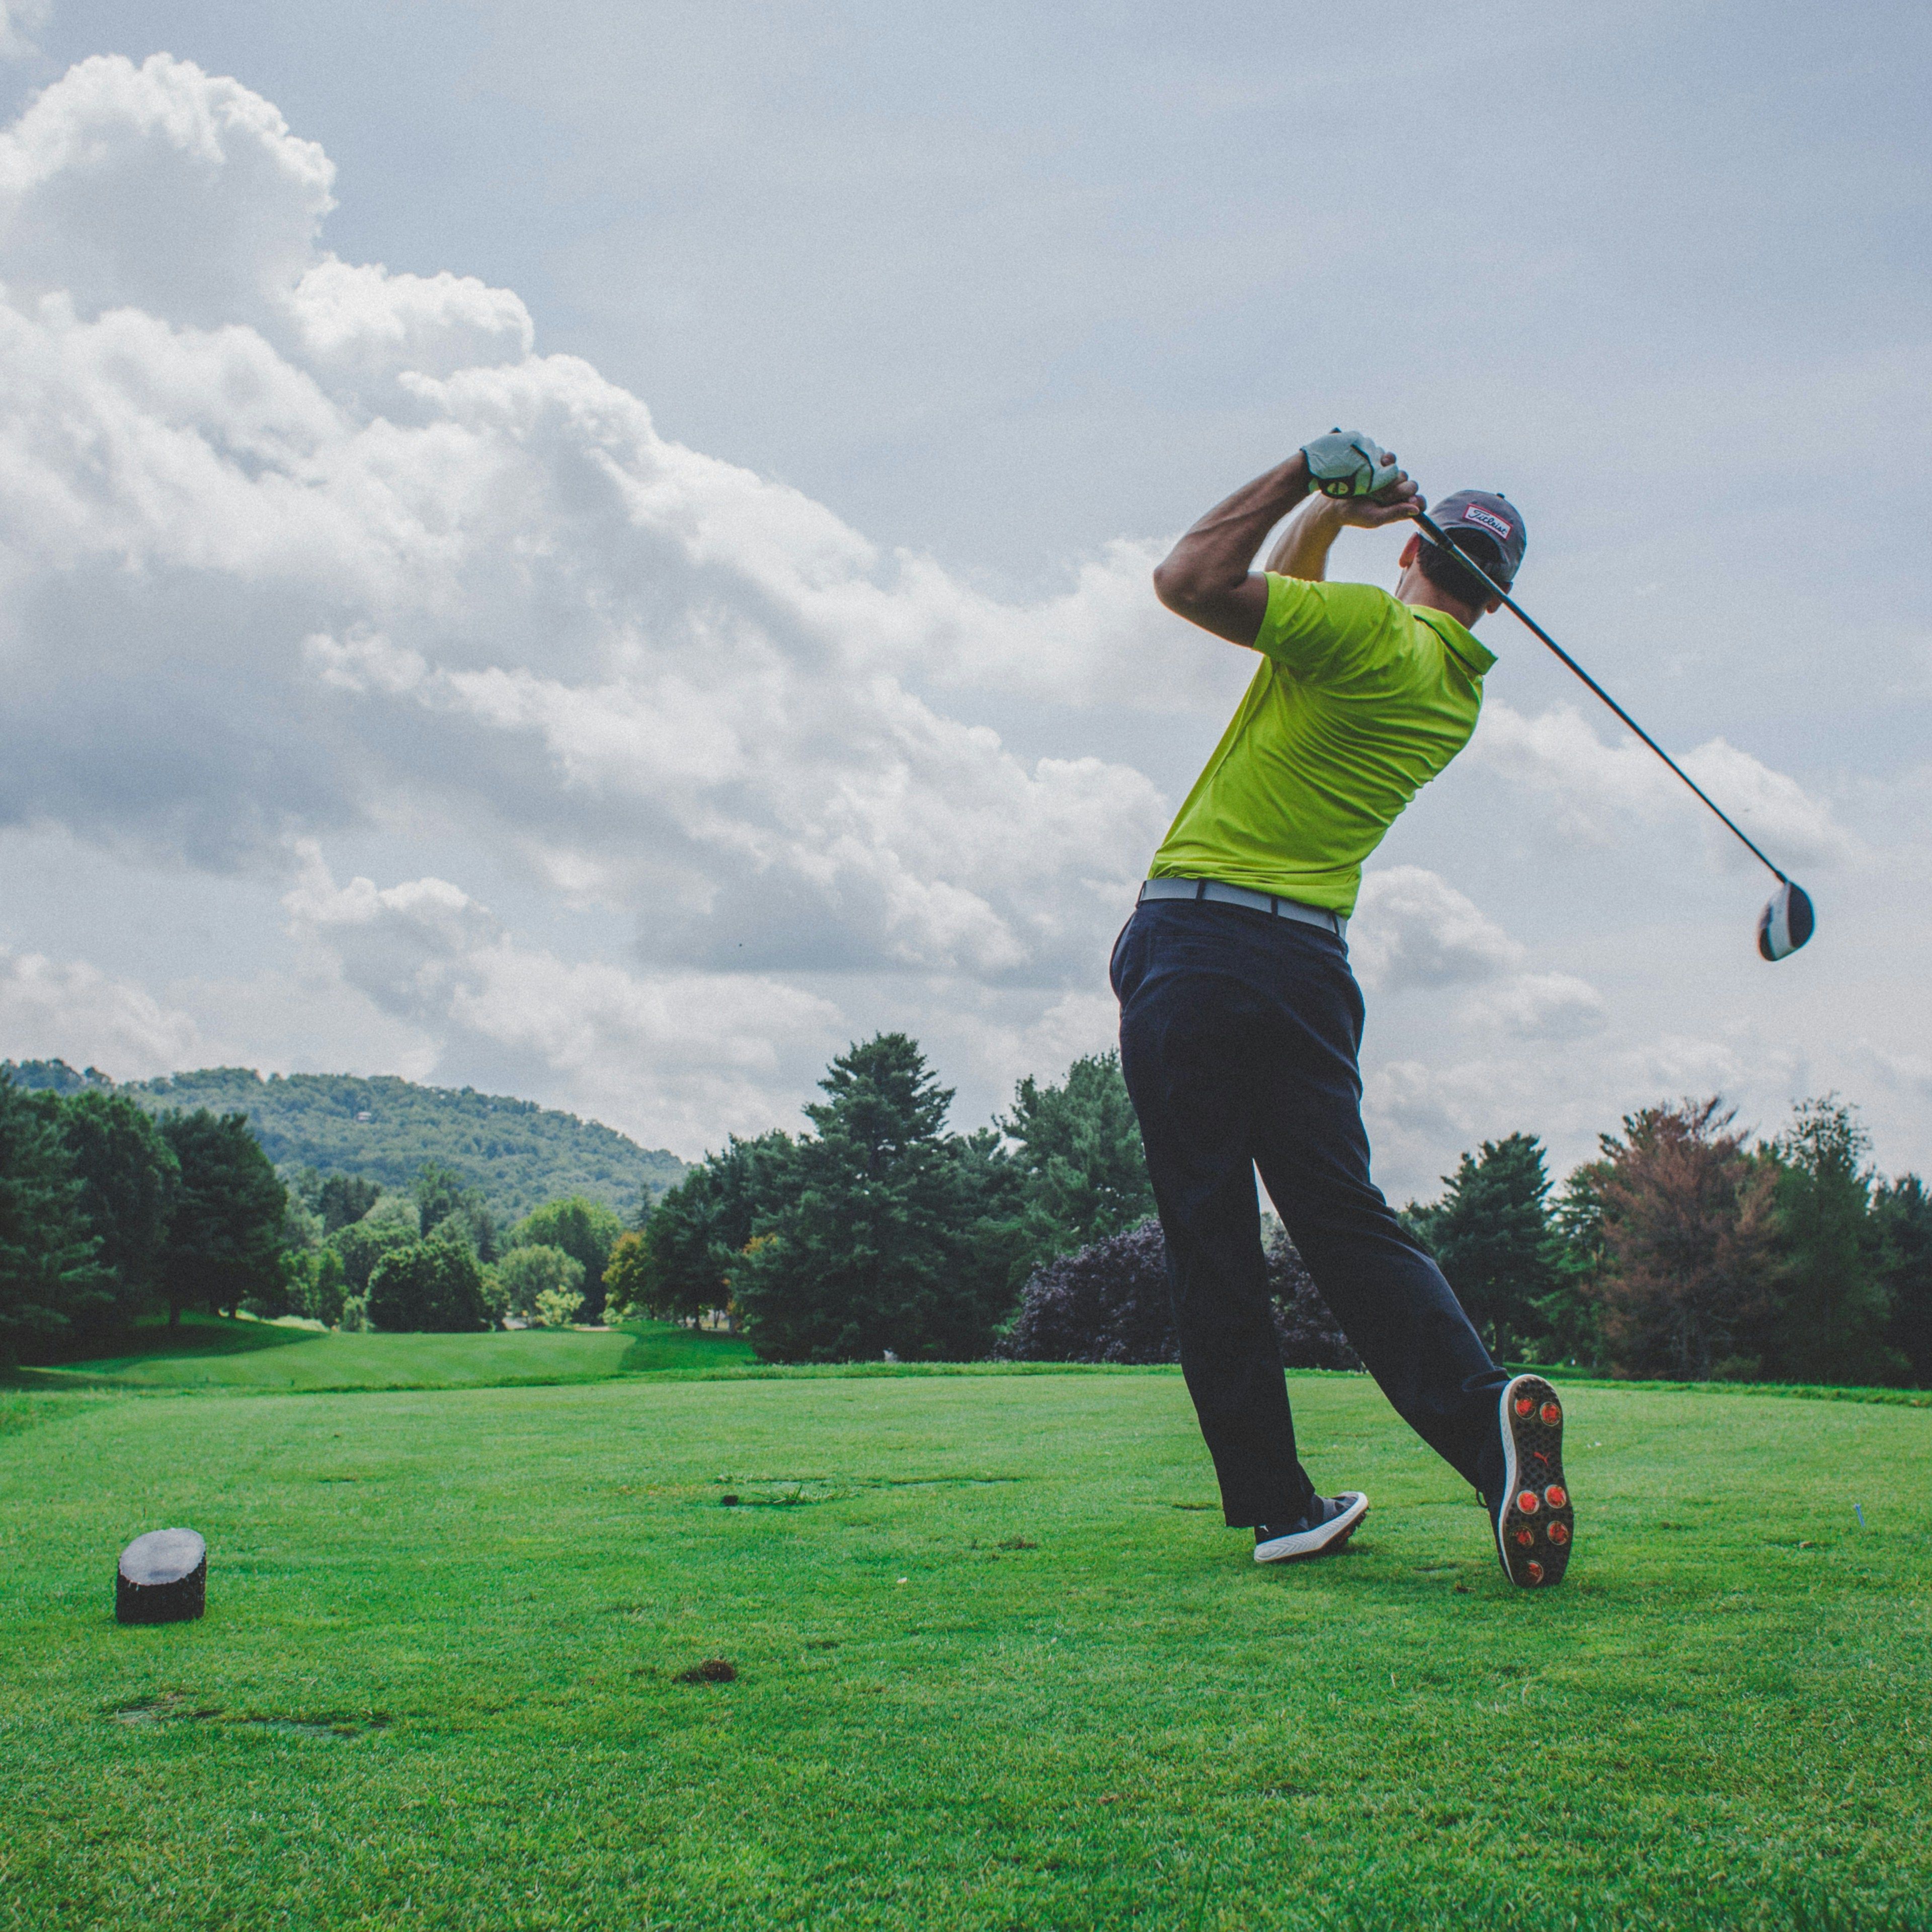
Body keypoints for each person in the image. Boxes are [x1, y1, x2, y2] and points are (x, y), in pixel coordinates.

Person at [1113, 430, 1573, 1586]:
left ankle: (1279, 1505)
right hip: (1309, 969)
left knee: (1213, 1234)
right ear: (1499, 603)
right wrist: (1329, 518)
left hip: (1202, 946)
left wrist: (1296, 473)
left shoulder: (1369, 632)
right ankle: (1486, 1433)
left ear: (1414, 550)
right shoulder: (1448, 686)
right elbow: (1295, 601)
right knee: (1347, 1223)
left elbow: (1192, 582)